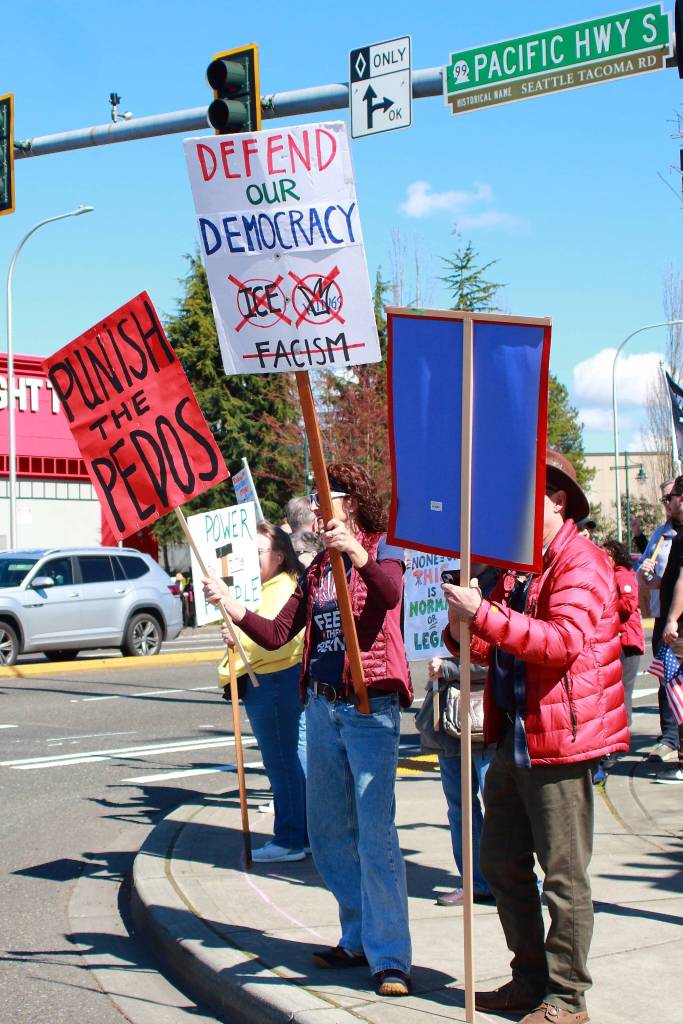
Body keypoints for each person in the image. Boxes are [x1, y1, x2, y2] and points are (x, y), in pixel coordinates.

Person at [204, 462, 414, 998]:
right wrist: (232, 606)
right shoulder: (317, 566)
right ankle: (358, 935)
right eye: (317, 501)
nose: (319, 510)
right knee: (326, 836)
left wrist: (357, 553)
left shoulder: (384, 547)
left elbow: (389, 593)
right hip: (322, 708)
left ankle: (390, 957)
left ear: (353, 502)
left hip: (370, 708)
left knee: (375, 834)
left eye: (328, 499)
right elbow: (277, 633)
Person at [442, 449, 627, 1024]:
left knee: (564, 880)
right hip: (515, 740)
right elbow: (483, 646)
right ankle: (529, 980)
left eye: (526, 496)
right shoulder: (523, 567)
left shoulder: (581, 561)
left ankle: (567, 999)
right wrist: (461, 622)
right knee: (501, 864)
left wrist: (486, 615)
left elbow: (560, 642)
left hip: (561, 744)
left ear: (557, 500)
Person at [218, 522, 307, 862]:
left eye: (257, 552)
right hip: (271, 681)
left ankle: (289, 838)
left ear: (280, 555)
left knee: (282, 762)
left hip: (273, 681)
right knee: (292, 761)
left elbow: (270, 638)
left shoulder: (282, 587)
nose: (250, 558)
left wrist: (237, 634)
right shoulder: (270, 587)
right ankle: (301, 833)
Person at [416, 654, 493, 906]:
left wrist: (448, 668)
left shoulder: (492, 612)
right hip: (449, 717)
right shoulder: (439, 615)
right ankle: (475, 882)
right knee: (460, 808)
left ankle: (518, 881)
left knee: (500, 807)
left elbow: (498, 656)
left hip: (485, 717)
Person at [638, 478, 683, 761]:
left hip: (674, 622)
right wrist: (646, 575)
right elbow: (659, 581)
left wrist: (674, 618)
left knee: (677, 682)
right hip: (663, 617)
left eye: (671, 497)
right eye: (665, 499)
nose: (667, 503)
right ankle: (670, 737)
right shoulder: (662, 535)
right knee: (667, 680)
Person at [603, 538, 644, 730]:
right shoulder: (613, 575)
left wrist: (605, 605)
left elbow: (628, 604)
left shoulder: (623, 575)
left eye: (608, 554)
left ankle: (622, 736)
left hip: (627, 641)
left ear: (615, 556)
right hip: (619, 638)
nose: (604, 557)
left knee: (623, 691)